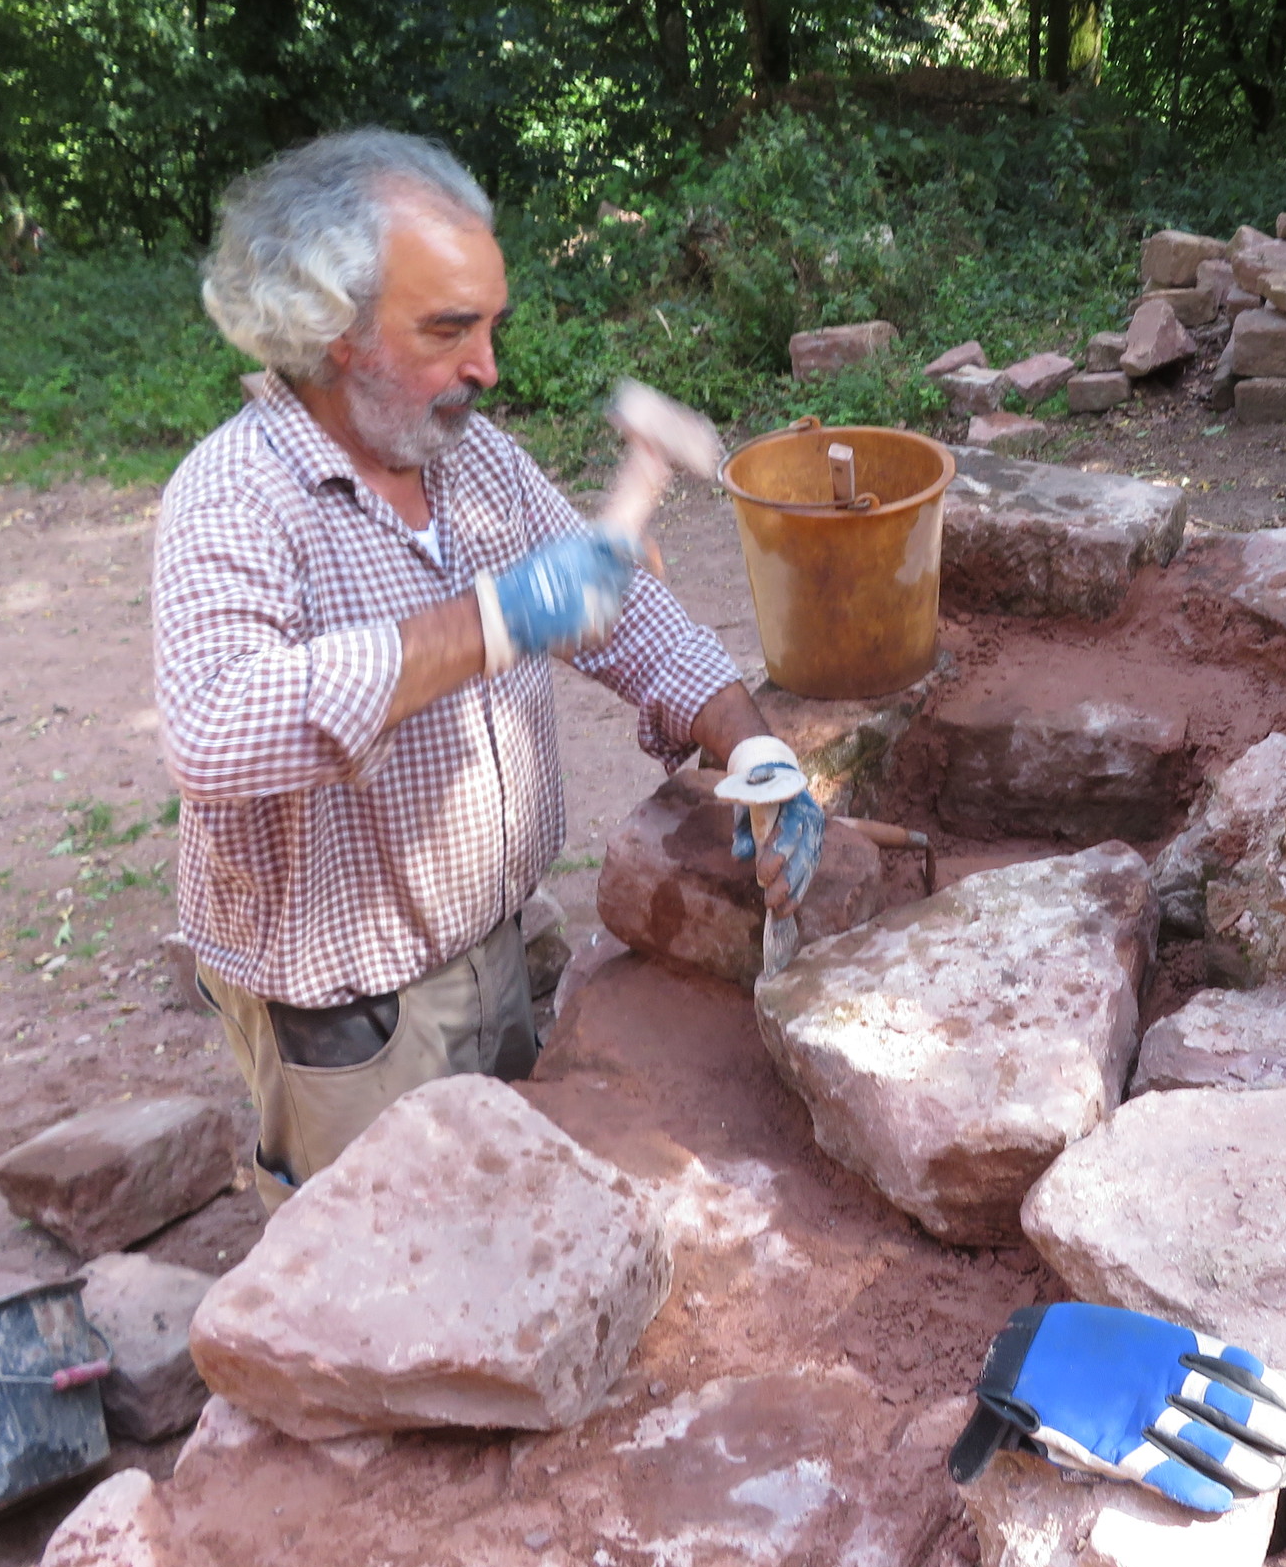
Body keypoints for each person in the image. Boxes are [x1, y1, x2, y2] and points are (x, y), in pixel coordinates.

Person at [154, 128, 815, 1205]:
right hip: (351, 1015)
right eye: (448, 329)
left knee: (508, 1216)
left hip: (494, 948)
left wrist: (754, 747)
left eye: (492, 325)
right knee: (383, 1261)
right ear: (331, 331)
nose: (489, 368)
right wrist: (493, 620)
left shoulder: (470, 457)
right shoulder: (235, 494)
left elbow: (619, 610)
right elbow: (216, 729)